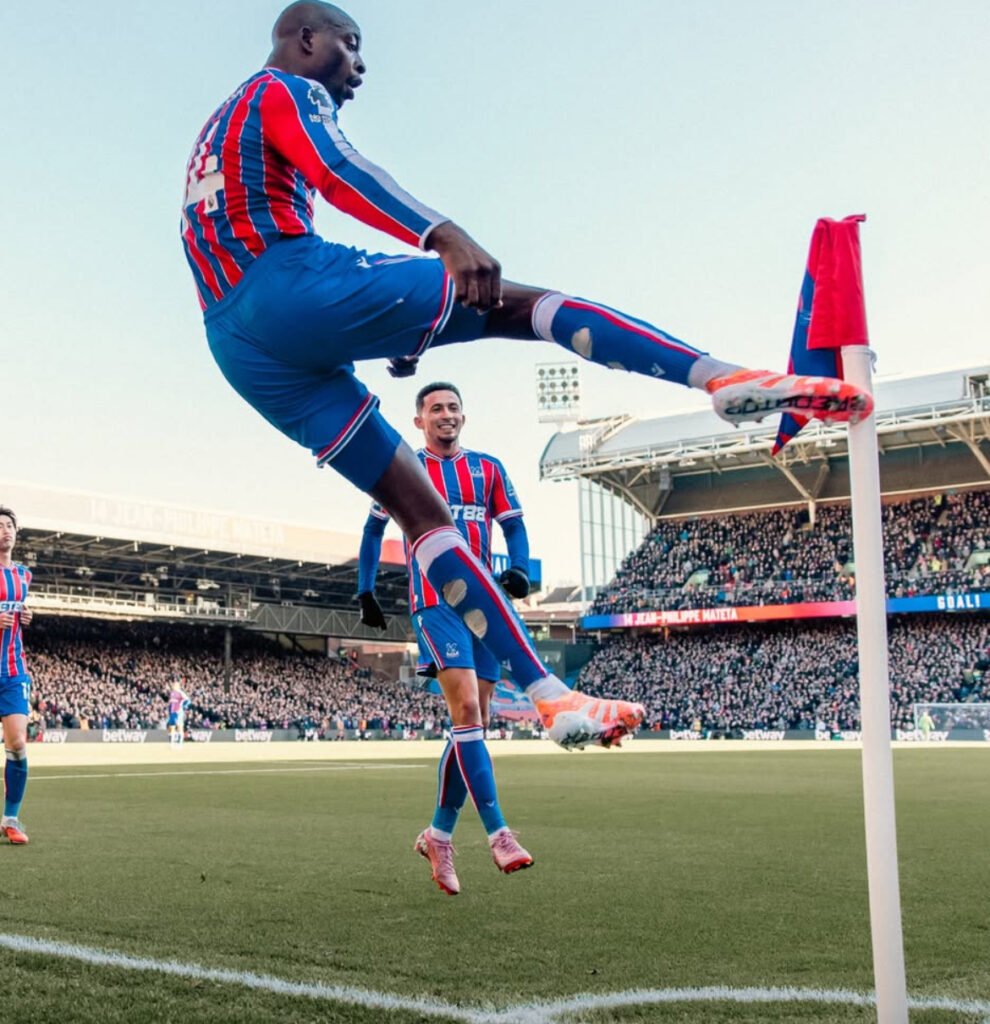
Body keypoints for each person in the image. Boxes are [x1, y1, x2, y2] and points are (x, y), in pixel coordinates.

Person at [181, 4, 871, 754]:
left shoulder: (216, 126)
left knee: (424, 517)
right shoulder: (282, 90)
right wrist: (443, 235)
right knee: (524, 307)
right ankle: (717, 376)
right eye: (351, 46)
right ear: (306, 39)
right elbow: (338, 170)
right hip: (285, 279)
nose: (360, 66)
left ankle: (550, 697)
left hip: (237, 342)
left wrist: (373, 327)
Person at [359, 382, 535, 893]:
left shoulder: (488, 469)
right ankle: (499, 833)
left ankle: (438, 836)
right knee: (467, 711)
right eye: (435, 408)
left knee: (473, 724)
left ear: (464, 416)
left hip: (485, 603)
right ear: (419, 420)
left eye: (453, 407)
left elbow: (514, 525)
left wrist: (520, 569)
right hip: (435, 602)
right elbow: (372, 531)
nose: (446, 414)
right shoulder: (402, 469)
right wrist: (366, 589)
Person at [0, 506, 34, 845]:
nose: (5, 530)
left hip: (13, 672)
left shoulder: (24, 575)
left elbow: (19, 610)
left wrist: (27, 616)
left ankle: (11, 820)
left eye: (9, 525)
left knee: (19, 743)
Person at [167, 680, 190, 746]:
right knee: (172, 727)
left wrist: (184, 706)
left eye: (175, 685)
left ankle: (180, 743)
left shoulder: (181, 693)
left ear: (178, 686)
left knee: (180, 727)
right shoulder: (172, 693)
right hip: (172, 712)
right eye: (174, 685)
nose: (174, 686)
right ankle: (172, 743)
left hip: (178, 712)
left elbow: (188, 700)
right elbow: (171, 703)